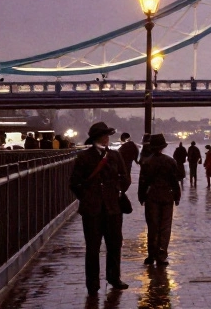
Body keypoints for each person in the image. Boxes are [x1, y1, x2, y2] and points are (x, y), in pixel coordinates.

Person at [68, 121, 130, 294]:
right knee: (93, 248)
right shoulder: (83, 158)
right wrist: (87, 198)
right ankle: (92, 284)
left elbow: (125, 178)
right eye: (103, 136)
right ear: (95, 138)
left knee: (115, 245)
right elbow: (74, 183)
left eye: (107, 136)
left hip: (113, 208)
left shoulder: (115, 156)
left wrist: (117, 190)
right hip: (92, 210)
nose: (106, 139)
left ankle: (114, 278)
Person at [137, 133, 182, 266]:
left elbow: (143, 182)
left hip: (152, 197)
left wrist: (141, 196)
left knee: (152, 226)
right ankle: (162, 254)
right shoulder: (170, 161)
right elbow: (175, 181)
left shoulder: (147, 162)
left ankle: (151, 254)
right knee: (165, 226)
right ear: (163, 147)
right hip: (167, 196)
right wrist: (177, 196)